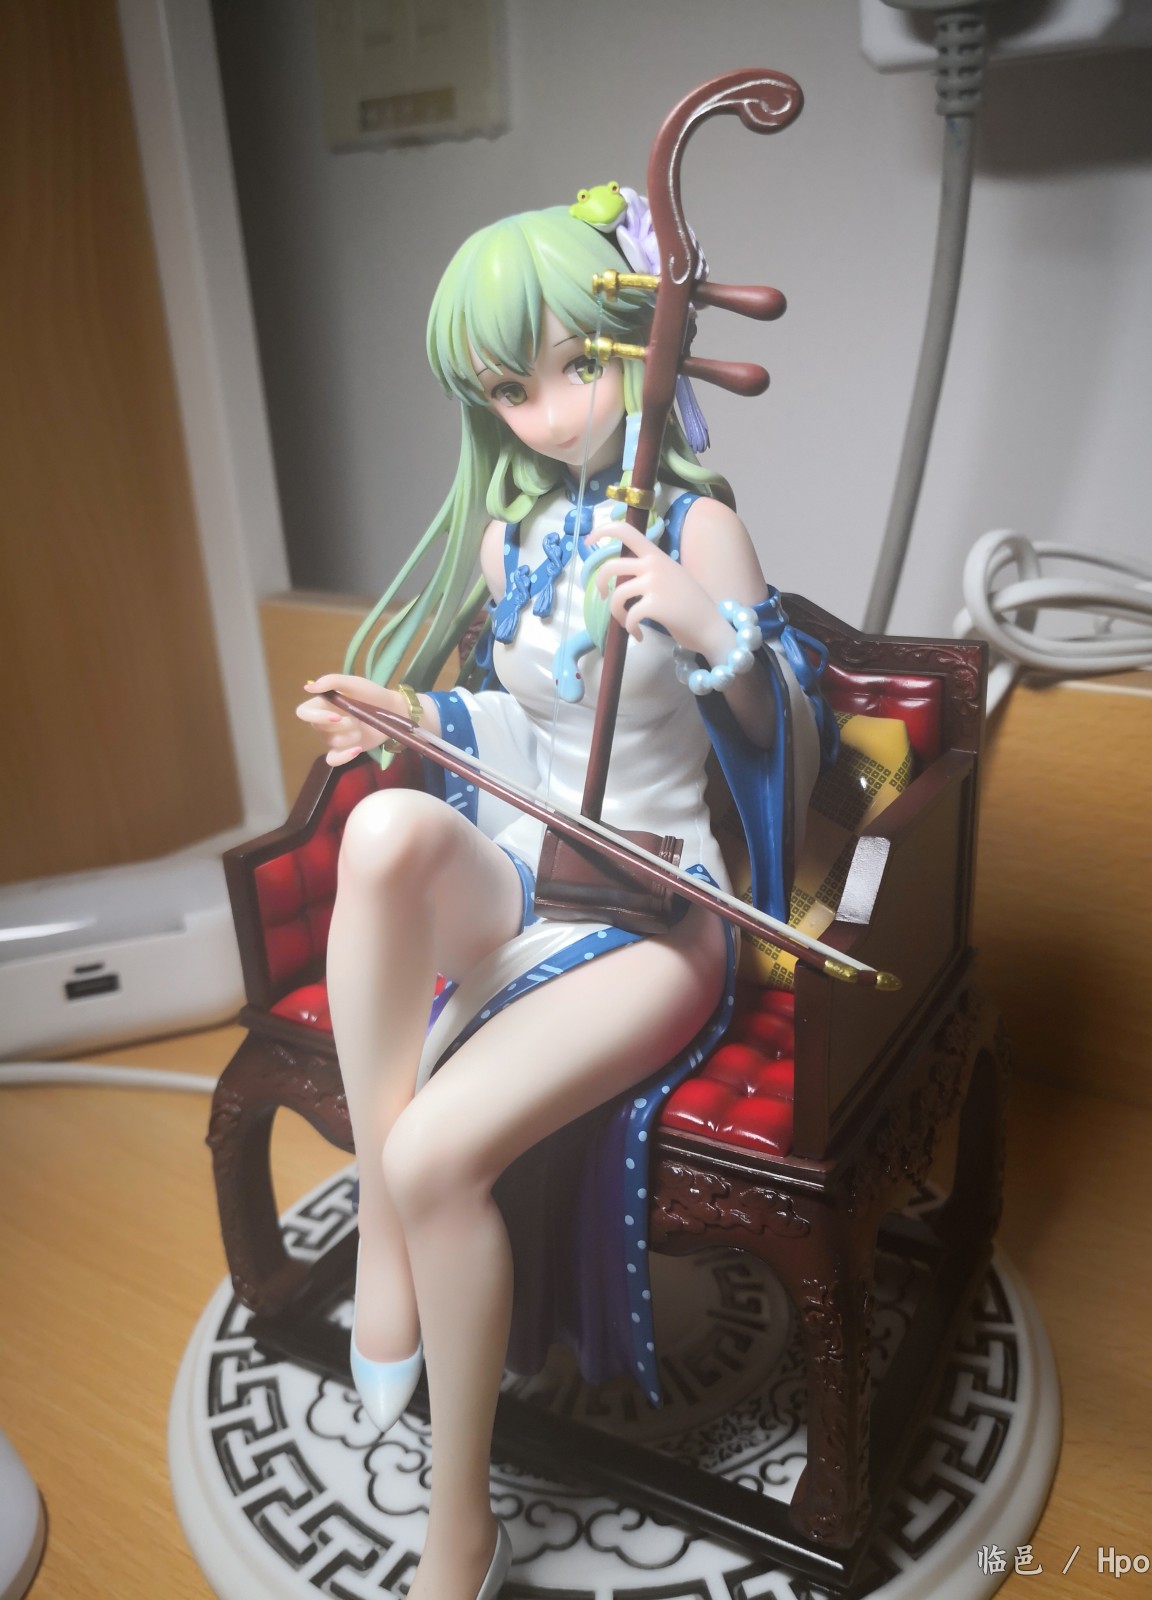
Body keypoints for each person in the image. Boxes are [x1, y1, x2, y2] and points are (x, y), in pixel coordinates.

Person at [297, 196, 832, 1600]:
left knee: (437, 1153)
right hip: (534, 871)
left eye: (579, 366)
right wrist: (408, 712)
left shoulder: (699, 528)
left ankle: (459, 1521)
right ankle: (387, 1234)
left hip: (658, 904)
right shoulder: (511, 540)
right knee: (385, 828)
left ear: (643, 343)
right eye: (509, 390)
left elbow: (790, 753)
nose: (547, 412)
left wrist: (711, 633)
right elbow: (517, 734)